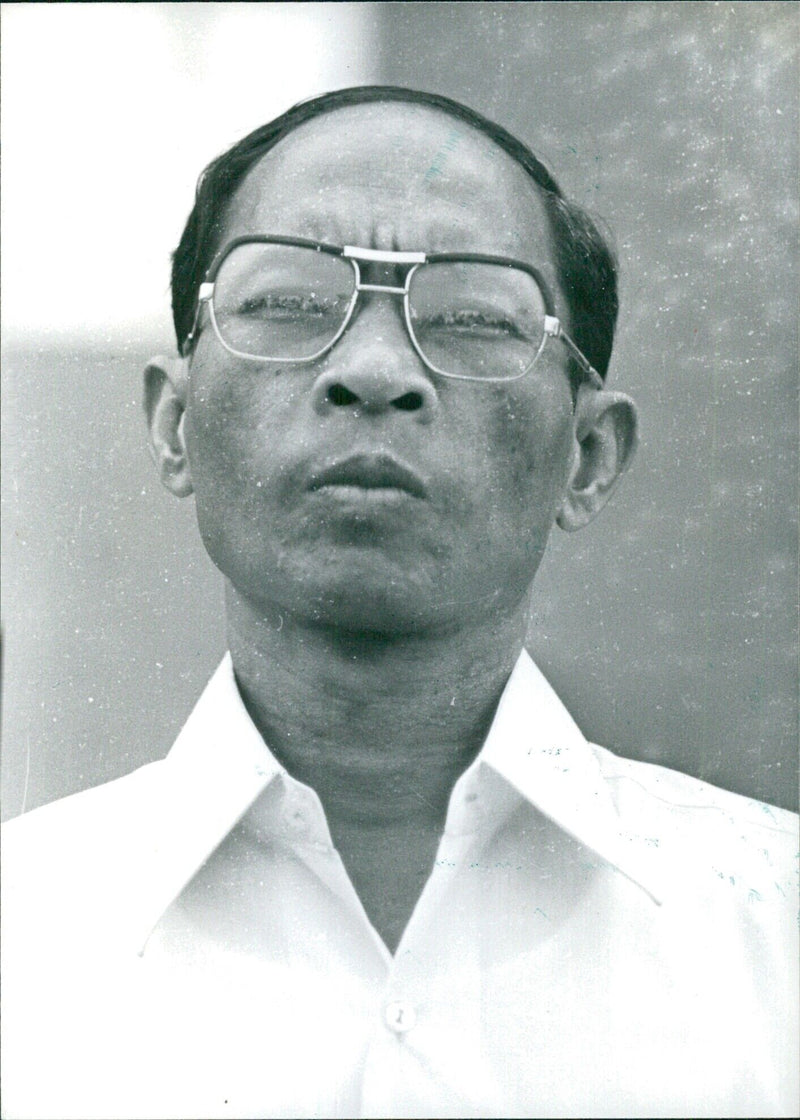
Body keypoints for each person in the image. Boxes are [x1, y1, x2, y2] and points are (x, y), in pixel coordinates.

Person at [2, 86, 797, 1119]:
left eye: (469, 319)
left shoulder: (772, 932)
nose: (374, 373)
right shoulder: (23, 932)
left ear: (587, 457)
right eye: (289, 304)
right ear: (172, 424)